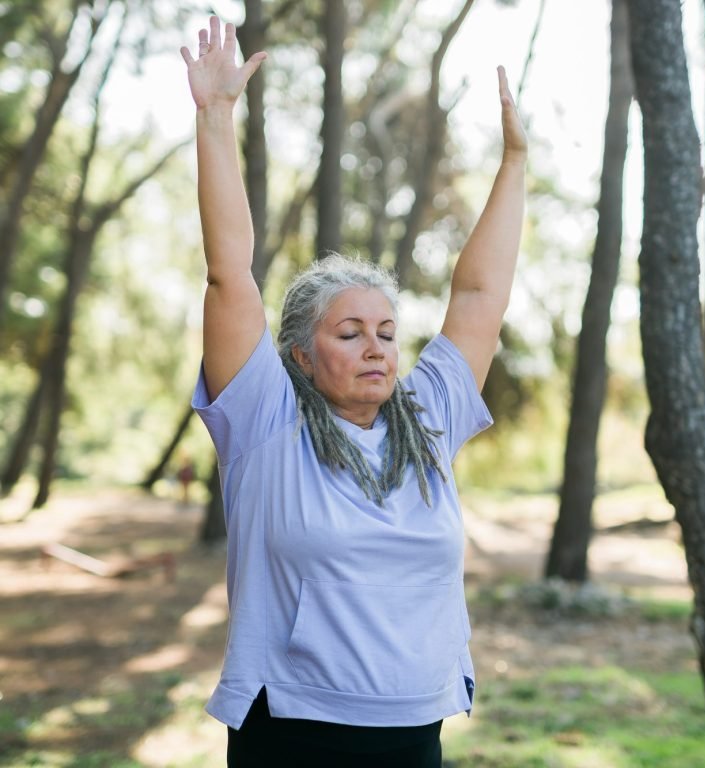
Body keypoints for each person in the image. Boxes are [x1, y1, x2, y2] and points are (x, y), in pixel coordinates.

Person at [181, 16, 526, 768]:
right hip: (291, 731)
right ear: (302, 356)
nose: (376, 346)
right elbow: (229, 274)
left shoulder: (427, 417)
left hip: (414, 729)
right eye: (350, 333)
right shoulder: (265, 418)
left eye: (387, 331)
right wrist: (214, 120)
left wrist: (515, 163)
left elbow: (478, 296)